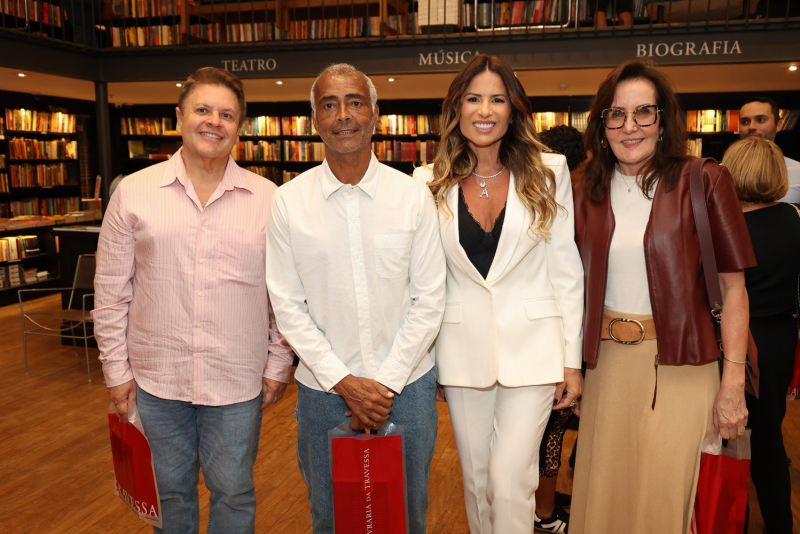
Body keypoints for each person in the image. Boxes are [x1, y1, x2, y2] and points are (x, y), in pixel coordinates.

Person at [93, 67, 294, 534]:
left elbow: (284, 297)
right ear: (179, 117)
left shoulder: (270, 199)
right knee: (170, 493)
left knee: (234, 492)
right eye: (203, 110)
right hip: (156, 379)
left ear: (239, 128)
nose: (214, 122)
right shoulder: (133, 194)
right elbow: (110, 293)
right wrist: (116, 371)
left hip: (237, 380)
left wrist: (277, 364)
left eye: (227, 114)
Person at [569, 59, 756, 534]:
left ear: (664, 119)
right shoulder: (581, 187)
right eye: (616, 114)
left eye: (643, 113)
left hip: (683, 367)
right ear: (602, 124)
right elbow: (564, 284)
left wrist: (732, 383)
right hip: (605, 368)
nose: (630, 127)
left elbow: (734, 289)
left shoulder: (705, 180)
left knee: (667, 503)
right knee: (607, 501)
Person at [265, 63, 446, 534]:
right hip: (324, 391)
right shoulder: (289, 201)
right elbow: (287, 305)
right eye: (329, 104)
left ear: (375, 114)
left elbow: (429, 300)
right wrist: (345, 382)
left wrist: (383, 385)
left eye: (354, 102)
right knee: (331, 516)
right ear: (314, 120)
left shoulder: (413, 197)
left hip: (407, 388)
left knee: (407, 514)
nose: (342, 115)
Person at [414, 54, 585, 534]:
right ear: (456, 109)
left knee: (512, 481)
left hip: (535, 350)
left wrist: (571, 361)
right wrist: (427, 359)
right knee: (478, 481)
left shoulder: (549, 171)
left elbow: (566, 271)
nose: (484, 109)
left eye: (497, 98)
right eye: (473, 98)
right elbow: (427, 279)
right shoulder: (426, 182)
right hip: (461, 352)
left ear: (513, 110)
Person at [722, 137, 800, 534]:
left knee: (729, 440)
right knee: (770, 437)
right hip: (782, 339)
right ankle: (780, 525)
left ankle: (730, 520)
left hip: (736, 343)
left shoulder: (727, 227)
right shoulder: (793, 218)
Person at [532, 124, 589, 533]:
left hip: (540, 335)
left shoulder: (533, 194)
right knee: (551, 435)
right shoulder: (582, 199)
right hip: (561, 339)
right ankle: (544, 514)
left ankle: (536, 511)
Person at [739, 96, 800, 203]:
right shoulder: (718, 173)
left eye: (760, 120)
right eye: (745, 122)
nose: (751, 126)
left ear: (778, 125)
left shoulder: (798, 172)